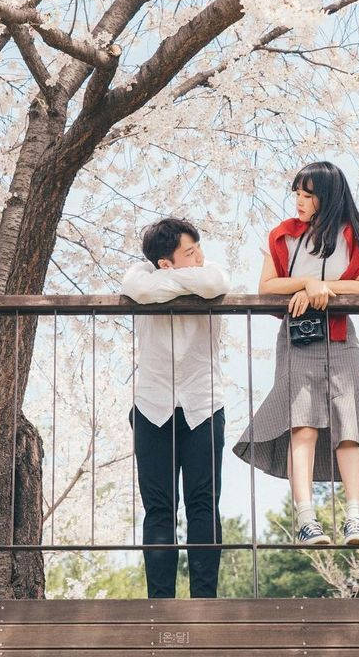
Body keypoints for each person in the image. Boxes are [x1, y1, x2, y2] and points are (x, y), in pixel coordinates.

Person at [233, 161, 359, 546]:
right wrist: (307, 283)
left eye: (308, 194)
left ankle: (354, 518)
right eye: (296, 193)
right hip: (299, 338)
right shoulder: (283, 236)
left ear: (327, 197)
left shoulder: (353, 235)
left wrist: (323, 289)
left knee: (349, 424)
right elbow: (266, 286)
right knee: (303, 426)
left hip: (340, 338)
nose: (299, 201)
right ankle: (306, 520)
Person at [121, 218, 231, 598]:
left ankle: (205, 600)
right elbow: (135, 287)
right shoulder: (139, 274)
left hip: (203, 403)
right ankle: (160, 602)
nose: (200, 257)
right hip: (153, 405)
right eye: (189, 252)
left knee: (203, 504)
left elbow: (214, 284)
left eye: (198, 248)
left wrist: (166, 283)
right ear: (164, 262)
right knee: (159, 508)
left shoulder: (210, 271)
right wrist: (181, 283)